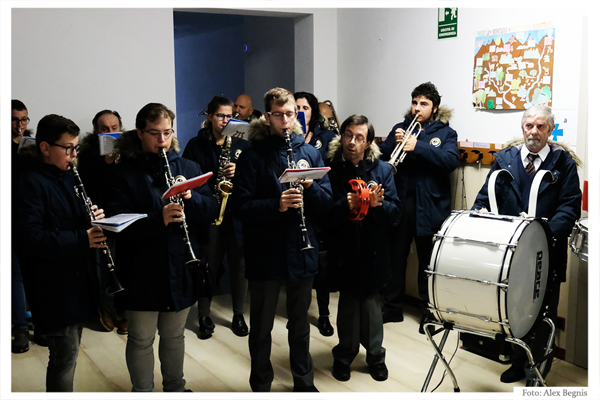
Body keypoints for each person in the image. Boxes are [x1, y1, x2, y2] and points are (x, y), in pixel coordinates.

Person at [108, 103, 218, 392]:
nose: (162, 141)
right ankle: (143, 391)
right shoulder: (123, 173)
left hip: (181, 264)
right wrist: (160, 219)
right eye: (154, 133)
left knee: (174, 336)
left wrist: (192, 198)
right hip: (142, 268)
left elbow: (211, 213)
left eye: (167, 133)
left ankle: (175, 388)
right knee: (142, 338)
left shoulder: (188, 168)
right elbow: (119, 225)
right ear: (140, 132)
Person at [231, 87, 333, 392]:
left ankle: (303, 382)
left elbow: (327, 204)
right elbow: (240, 207)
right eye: (278, 114)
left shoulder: (310, 152)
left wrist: (312, 189)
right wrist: (277, 205)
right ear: (267, 116)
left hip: (301, 249)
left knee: (300, 324)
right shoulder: (252, 156)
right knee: (261, 326)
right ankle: (261, 384)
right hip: (266, 252)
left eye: (290, 114)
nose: (285, 120)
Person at [472, 104, 582, 384]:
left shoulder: (563, 163)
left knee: (543, 312)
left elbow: (569, 208)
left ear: (550, 129)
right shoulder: (505, 158)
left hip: (546, 253)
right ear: (522, 128)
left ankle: (537, 371)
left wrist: (540, 237)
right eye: (529, 126)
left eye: (540, 126)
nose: (534, 132)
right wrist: (478, 215)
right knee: (513, 309)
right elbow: (486, 195)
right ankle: (517, 361)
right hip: (509, 255)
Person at [15, 114, 106, 391]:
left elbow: (66, 219)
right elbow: (31, 239)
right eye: (68, 148)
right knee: (63, 358)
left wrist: (92, 218)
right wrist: (83, 237)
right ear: (45, 147)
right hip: (53, 286)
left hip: (75, 279)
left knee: (70, 353)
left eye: (75, 147)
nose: (74, 154)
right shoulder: (29, 182)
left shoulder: (68, 174)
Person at [322, 114, 400, 382]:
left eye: (359, 138)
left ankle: (376, 357)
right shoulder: (329, 169)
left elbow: (395, 215)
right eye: (347, 135)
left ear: (368, 143)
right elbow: (324, 217)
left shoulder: (384, 171)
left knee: (373, 309)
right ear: (341, 136)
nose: (352, 142)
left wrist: (377, 206)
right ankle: (344, 356)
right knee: (347, 309)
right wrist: (347, 204)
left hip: (374, 251)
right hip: (343, 251)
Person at [379, 82, 459, 331]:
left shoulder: (446, 133)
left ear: (434, 108)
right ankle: (392, 308)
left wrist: (419, 146)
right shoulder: (400, 128)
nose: (417, 108)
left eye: (423, 104)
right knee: (396, 257)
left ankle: (429, 312)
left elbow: (450, 161)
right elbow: (382, 156)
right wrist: (395, 143)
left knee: (428, 262)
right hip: (401, 203)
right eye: (415, 102)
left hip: (431, 206)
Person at [182, 96, 252, 339]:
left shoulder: (242, 144)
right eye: (221, 115)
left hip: (236, 214)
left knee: (239, 266)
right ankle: (203, 314)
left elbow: (253, 180)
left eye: (230, 115)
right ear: (210, 116)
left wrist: (238, 169)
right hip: (210, 212)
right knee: (207, 266)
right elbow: (192, 179)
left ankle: (238, 314)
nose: (226, 121)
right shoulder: (195, 145)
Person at [78, 110, 128, 335]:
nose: (110, 132)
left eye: (114, 128)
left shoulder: (130, 150)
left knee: (128, 264)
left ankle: (126, 311)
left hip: (126, 216)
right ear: (96, 131)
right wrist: (106, 163)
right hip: (101, 217)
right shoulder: (87, 156)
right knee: (106, 267)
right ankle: (106, 308)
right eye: (104, 129)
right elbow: (89, 189)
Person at [294, 91, 338, 337]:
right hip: (295, 207)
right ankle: (297, 311)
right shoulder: (287, 138)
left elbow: (329, 168)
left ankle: (323, 314)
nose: (301, 112)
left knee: (321, 266)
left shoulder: (326, 136)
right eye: (297, 107)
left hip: (318, 206)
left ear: (313, 111)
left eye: (306, 108)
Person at [11, 99, 33, 353]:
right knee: (15, 270)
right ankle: (19, 326)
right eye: (15, 119)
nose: (20, 125)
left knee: (32, 269)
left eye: (24, 120)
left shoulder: (33, 147)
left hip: (29, 213)